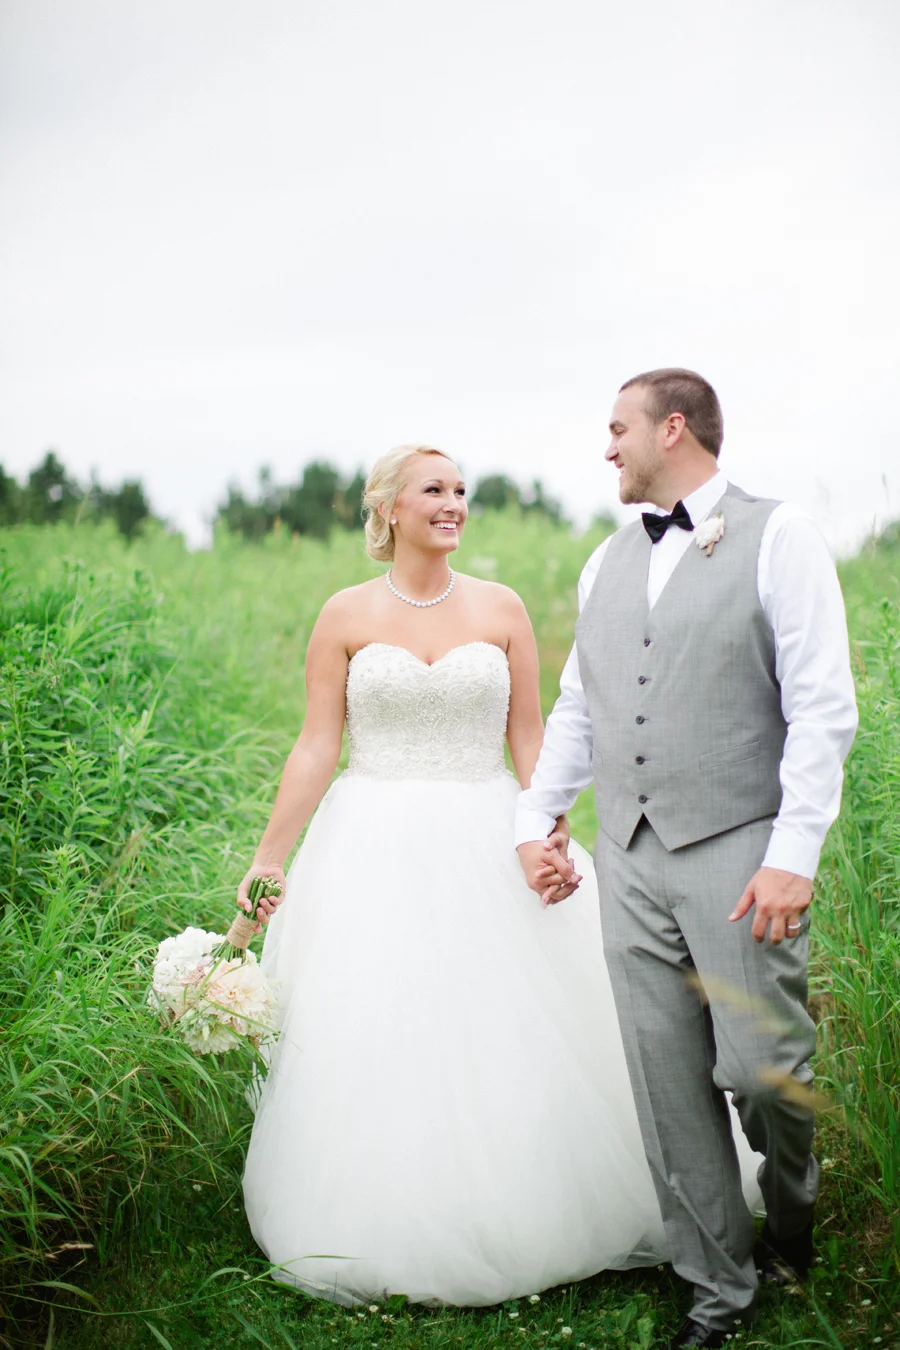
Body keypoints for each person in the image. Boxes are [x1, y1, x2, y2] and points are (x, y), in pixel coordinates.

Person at [237, 441, 763, 1307]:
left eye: (461, 490)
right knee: (383, 1023)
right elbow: (317, 745)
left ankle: (568, 1200)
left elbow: (531, 737)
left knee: (519, 1022)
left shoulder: (503, 608)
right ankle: (389, 1214)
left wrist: (546, 831)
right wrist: (269, 857)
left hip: (488, 830)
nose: (453, 503)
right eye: (433, 490)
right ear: (389, 510)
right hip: (372, 841)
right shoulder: (344, 615)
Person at [515, 370, 858, 1350]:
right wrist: (539, 818)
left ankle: (793, 1216)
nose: (606, 446)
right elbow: (582, 708)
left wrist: (795, 852)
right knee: (669, 1089)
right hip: (628, 857)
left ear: (674, 428)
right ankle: (718, 1293)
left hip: (744, 850)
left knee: (761, 1071)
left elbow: (823, 705)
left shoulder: (779, 536)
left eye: (618, 428)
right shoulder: (602, 564)